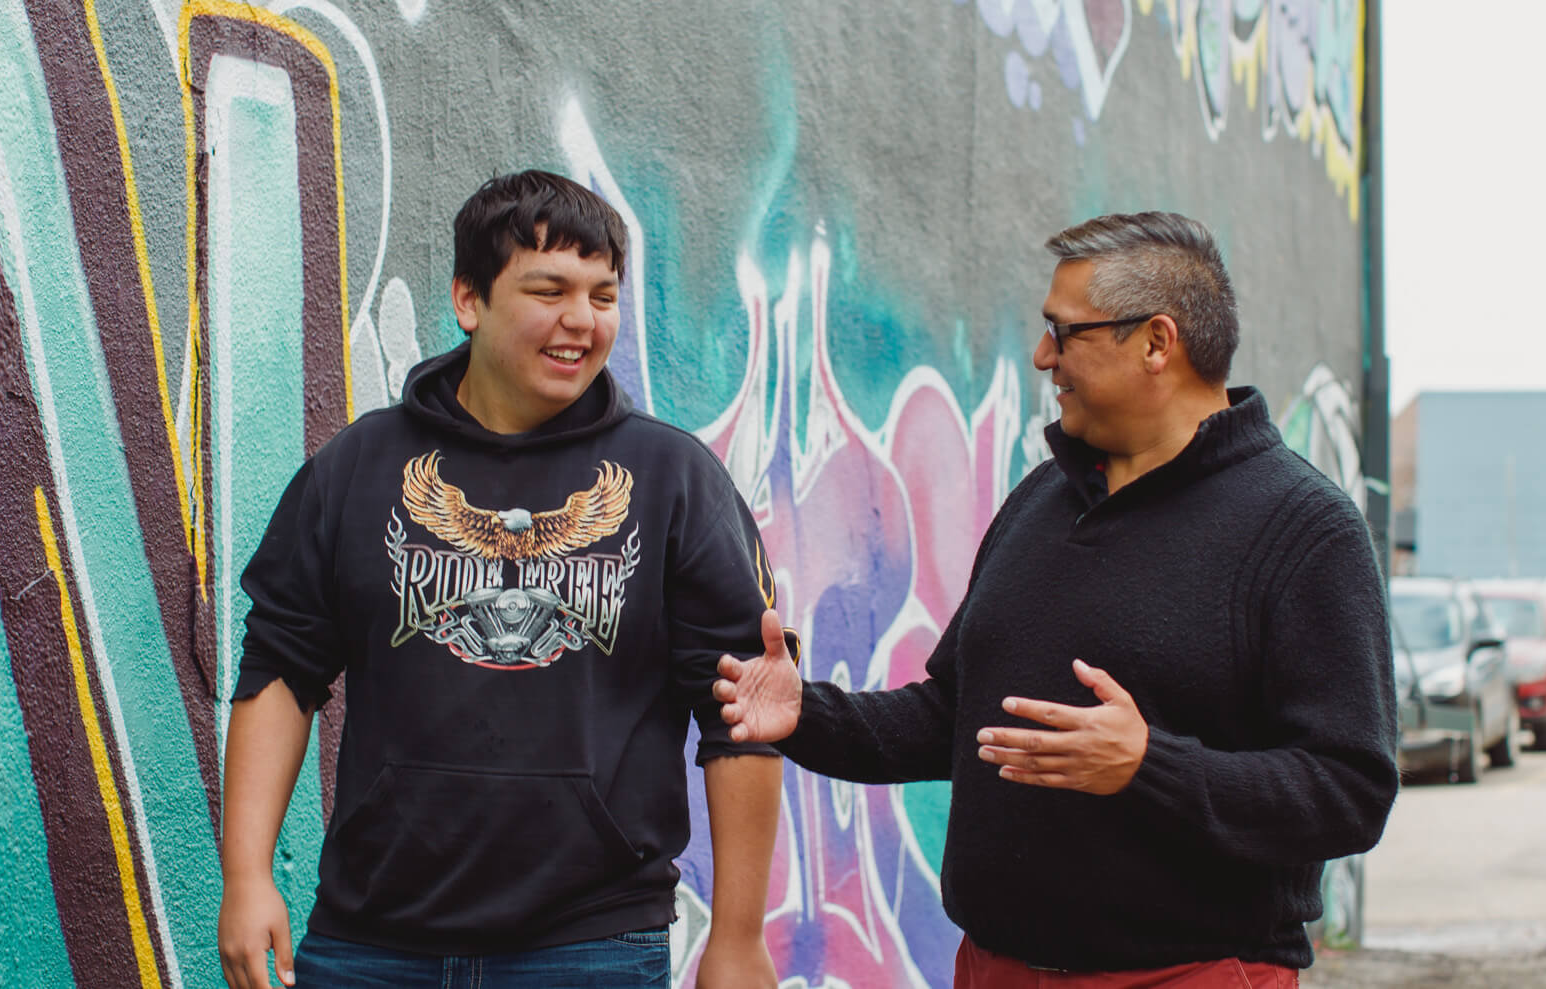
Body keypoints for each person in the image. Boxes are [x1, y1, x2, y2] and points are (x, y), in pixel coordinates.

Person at [715, 212, 1398, 987]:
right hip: (993, 969)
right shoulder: (1043, 498)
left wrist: (1149, 765)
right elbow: (955, 719)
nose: (1043, 356)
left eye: (1064, 333)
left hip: (1188, 975)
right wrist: (806, 715)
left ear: (1157, 342)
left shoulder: (1304, 530)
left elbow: (1351, 791)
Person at [218, 170, 783, 989]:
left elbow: (740, 712)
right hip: (370, 943)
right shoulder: (361, 466)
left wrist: (737, 935)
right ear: (469, 299)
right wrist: (246, 875)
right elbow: (280, 666)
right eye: (550, 291)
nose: (582, 320)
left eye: (603, 296)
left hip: (590, 947)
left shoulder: (672, 479)